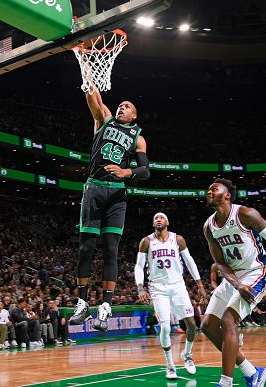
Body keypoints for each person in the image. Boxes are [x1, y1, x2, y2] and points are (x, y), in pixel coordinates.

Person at [69, 82, 150, 332]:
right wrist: (88, 73)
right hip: (94, 188)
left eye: (126, 106)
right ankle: (83, 302)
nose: (121, 108)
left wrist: (126, 171)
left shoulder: (138, 137)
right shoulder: (104, 120)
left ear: (134, 115)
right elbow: (93, 98)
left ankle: (105, 305)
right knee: (86, 247)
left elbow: (145, 171)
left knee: (111, 250)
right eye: (119, 105)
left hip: (117, 194)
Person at [201, 179, 266, 387]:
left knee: (228, 321)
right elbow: (220, 264)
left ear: (227, 196)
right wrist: (236, 284)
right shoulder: (208, 226)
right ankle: (252, 372)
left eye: (214, 189)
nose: (209, 191)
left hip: (257, 271)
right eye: (208, 189)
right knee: (207, 326)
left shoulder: (245, 214)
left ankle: (226, 383)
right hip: (234, 276)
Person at [134, 213, 207, 380]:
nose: (158, 219)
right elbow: (139, 266)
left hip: (178, 285)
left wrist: (200, 285)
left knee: (192, 326)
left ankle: (187, 354)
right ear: (153, 224)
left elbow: (190, 262)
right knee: (165, 327)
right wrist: (140, 288)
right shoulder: (146, 241)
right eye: (155, 218)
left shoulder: (178, 239)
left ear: (168, 222)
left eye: (161, 217)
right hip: (158, 288)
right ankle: (170, 365)